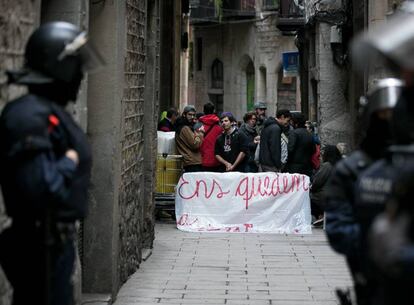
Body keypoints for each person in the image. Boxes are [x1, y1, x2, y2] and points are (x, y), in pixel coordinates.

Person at [0, 22, 103, 305]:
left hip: (54, 245)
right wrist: (69, 162)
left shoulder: (47, 112)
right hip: (38, 244)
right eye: (76, 68)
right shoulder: (29, 117)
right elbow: (40, 186)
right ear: (61, 68)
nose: (80, 77)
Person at [324, 78, 404, 305]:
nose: (392, 121)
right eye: (384, 114)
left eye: (398, 114)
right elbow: (339, 230)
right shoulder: (351, 170)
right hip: (371, 277)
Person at [310, 145, 342, 226]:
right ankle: (322, 216)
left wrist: (311, 188)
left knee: (308, 196)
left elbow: (317, 182)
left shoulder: (327, 166)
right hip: (338, 195)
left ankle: (320, 216)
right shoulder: (341, 165)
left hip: (326, 196)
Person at [175, 105, 204, 172]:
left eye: (193, 115)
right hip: (191, 163)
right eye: (189, 114)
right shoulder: (185, 128)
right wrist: (200, 133)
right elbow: (195, 144)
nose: (192, 117)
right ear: (184, 114)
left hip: (190, 161)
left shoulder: (186, 126)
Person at [285, 113, 315, 178]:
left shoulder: (294, 133)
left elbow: (290, 149)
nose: (290, 123)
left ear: (295, 122)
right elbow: (313, 150)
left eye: (291, 121)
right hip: (307, 166)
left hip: (294, 167)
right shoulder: (309, 134)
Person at [199, 102, 223, 171]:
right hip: (217, 161)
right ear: (214, 111)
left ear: (203, 111)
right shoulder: (220, 128)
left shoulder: (199, 126)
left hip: (202, 160)